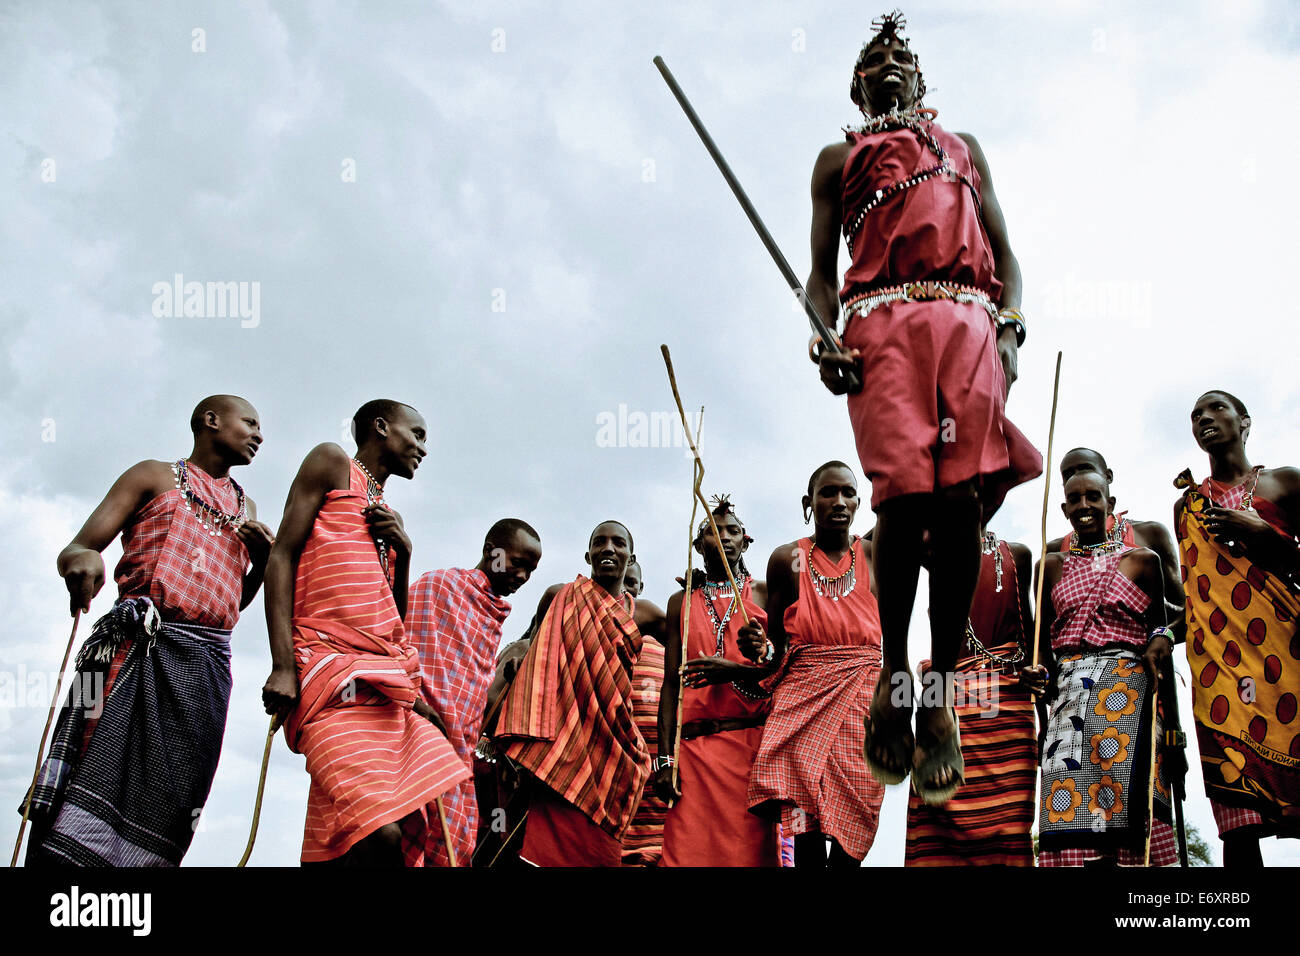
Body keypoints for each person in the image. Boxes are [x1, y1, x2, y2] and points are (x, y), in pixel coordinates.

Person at [807, 10, 1042, 800]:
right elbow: (816, 277)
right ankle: (889, 678)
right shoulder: (838, 160)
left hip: (970, 320)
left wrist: (1009, 327)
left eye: (901, 53)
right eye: (874, 58)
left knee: (963, 500)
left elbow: (1006, 254)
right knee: (902, 501)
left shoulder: (964, 149)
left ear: (920, 75)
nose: (890, 64)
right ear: (856, 83)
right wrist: (822, 337)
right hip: (879, 323)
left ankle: (938, 691)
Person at [22, 395, 274, 866]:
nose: (260, 435)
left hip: (204, 670)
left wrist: (261, 562)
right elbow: (80, 547)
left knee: (174, 791)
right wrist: (81, 563)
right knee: (86, 762)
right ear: (210, 420)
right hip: (133, 647)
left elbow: (231, 602)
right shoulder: (153, 475)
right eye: (251, 423)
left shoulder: (247, 507)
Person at [261, 399, 468, 866]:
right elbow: (281, 555)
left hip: (383, 685)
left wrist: (404, 551)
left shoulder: (386, 513)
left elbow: (388, 619)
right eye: (416, 434)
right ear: (381, 427)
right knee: (380, 831)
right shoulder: (332, 464)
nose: (423, 448)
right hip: (324, 672)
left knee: (366, 830)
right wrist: (283, 665)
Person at [1174, 390, 1300, 866]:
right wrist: (1166, 634)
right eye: (1195, 415)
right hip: (1218, 669)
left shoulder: (1284, 484)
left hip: (1286, 658)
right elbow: (1196, 597)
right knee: (1235, 823)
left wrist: (1270, 540)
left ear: (1245, 423)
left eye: (1217, 408)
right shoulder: (1187, 508)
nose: (1205, 418)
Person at [493, 521, 664, 866]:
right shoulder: (560, 596)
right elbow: (538, 660)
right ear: (588, 554)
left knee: (597, 850)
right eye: (600, 542)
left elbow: (683, 665)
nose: (609, 549)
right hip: (559, 744)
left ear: (632, 557)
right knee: (534, 841)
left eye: (618, 543)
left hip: (611, 745)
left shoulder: (646, 615)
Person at [742, 462, 885, 867]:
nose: (838, 502)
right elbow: (774, 653)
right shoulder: (788, 559)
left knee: (857, 814)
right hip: (801, 702)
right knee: (803, 827)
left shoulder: (876, 556)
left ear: (859, 502)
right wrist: (758, 649)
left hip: (862, 699)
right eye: (827, 493)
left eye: (847, 493)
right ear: (809, 503)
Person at [1036, 471, 1181, 866]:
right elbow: (1043, 657)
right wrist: (1041, 723)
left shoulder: (1143, 561)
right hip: (1068, 704)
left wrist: (1161, 639)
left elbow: (1162, 627)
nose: (1084, 506)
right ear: (1065, 509)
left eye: (1093, 497)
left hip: (1128, 699)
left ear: (1110, 503)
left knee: (1133, 812)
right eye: (1075, 499)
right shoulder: (1049, 566)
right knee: (1067, 815)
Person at [404, 518, 541, 867]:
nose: (523, 577)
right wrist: (419, 705)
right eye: (518, 563)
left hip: (460, 755)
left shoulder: (493, 617)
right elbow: (397, 650)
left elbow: (475, 693)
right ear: (491, 552)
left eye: (531, 570)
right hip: (415, 740)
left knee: (454, 848)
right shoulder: (438, 586)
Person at [905, 528, 1042, 865]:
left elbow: (1033, 642)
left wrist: (1036, 679)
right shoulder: (931, 548)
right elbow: (879, 538)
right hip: (948, 702)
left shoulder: (1017, 555)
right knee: (936, 822)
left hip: (1009, 708)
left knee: (1010, 830)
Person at [655, 496, 779, 867]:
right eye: (712, 531)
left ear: (746, 541)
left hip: (748, 752)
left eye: (733, 531)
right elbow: (670, 684)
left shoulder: (763, 595)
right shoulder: (681, 601)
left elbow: (784, 668)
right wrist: (664, 759)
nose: (724, 537)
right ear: (698, 546)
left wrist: (760, 655)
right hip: (692, 754)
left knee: (746, 857)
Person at [1048, 447, 1185, 640]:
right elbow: (1047, 631)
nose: (1078, 476)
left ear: (1108, 476)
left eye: (1086, 469)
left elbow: (1185, 613)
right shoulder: (1055, 553)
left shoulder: (1151, 534)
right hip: (1073, 664)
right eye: (1068, 474)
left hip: (1143, 659)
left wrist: (1142, 601)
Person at [621, 560, 671, 866]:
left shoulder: (661, 640)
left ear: (640, 589)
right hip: (609, 765)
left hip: (657, 768)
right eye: (621, 581)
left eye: (632, 583)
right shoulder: (587, 631)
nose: (625, 589)